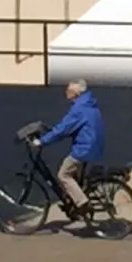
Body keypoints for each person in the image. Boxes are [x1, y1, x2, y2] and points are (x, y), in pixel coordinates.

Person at [32, 80, 104, 216]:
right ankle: (75, 203)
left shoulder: (79, 109)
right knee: (74, 176)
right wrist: (51, 131)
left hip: (84, 149)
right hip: (93, 145)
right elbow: (66, 127)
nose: (66, 92)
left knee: (63, 175)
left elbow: (63, 129)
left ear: (76, 92)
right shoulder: (88, 104)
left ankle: (82, 203)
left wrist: (42, 141)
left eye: (69, 90)